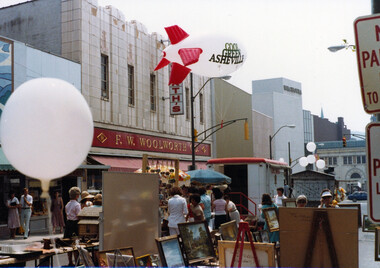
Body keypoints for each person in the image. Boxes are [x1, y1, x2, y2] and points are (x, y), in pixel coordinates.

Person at [64, 187, 81, 266]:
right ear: (77, 196)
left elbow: (67, 214)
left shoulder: (67, 204)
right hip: (75, 224)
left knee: (69, 243)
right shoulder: (77, 205)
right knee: (76, 243)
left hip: (68, 225)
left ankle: (70, 261)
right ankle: (77, 261)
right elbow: (79, 215)